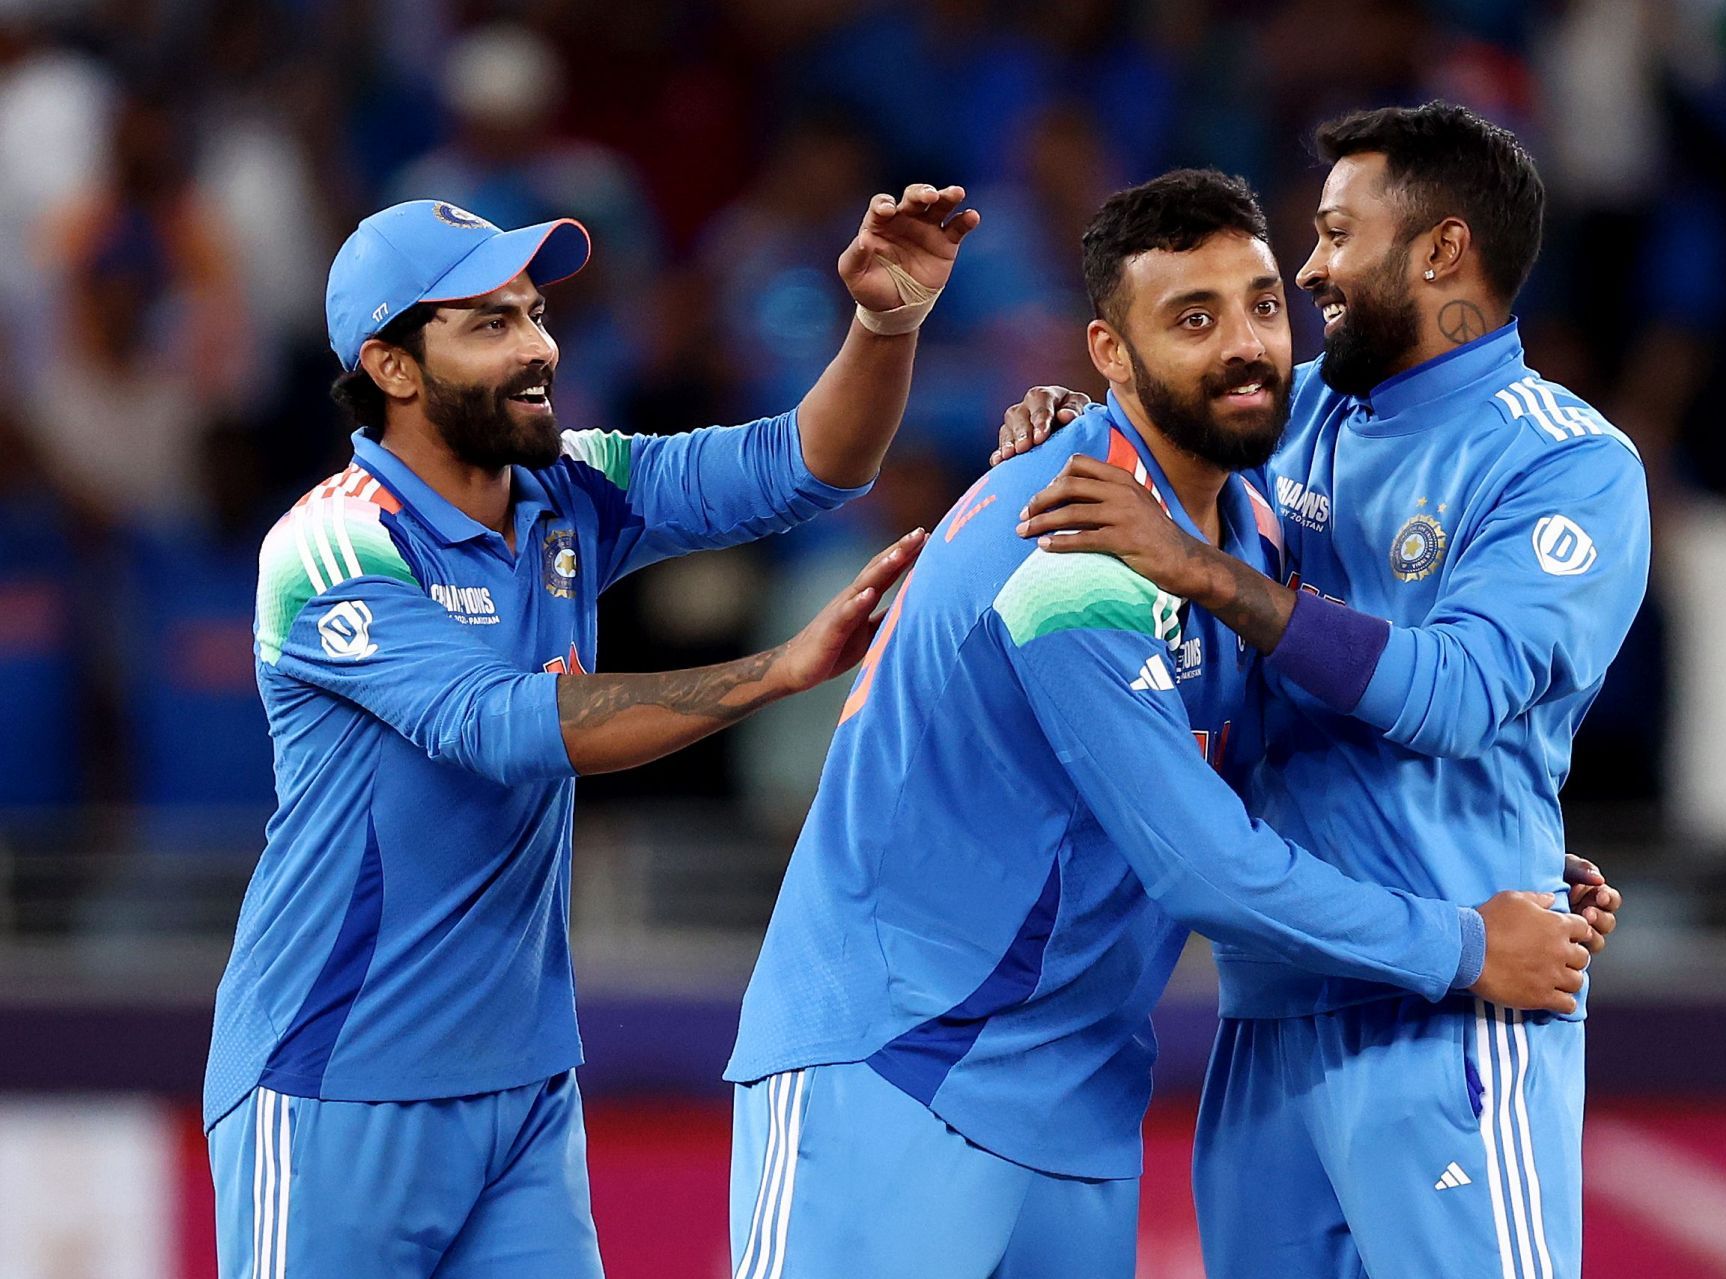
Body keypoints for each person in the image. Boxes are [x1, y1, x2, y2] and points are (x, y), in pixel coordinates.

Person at [725, 168, 1599, 1279]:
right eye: (1194, 319)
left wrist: (1511, 859)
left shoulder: (1251, 534)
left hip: (1076, 1103)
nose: (1246, 345)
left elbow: (1307, 746)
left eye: (1264, 305)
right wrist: (1473, 944)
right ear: (1109, 353)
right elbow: (1209, 870)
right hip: (894, 1065)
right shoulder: (1066, 545)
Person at [203, 183, 977, 1278]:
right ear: (391, 366)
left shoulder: (571, 492)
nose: (537, 348)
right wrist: (777, 670)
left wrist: (885, 322)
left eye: (534, 314)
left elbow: (808, 463)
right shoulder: (330, 549)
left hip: (522, 1091)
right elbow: (501, 724)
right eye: (490, 324)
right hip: (335, 1077)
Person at [1002, 103, 1648, 1278]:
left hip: (1456, 1009)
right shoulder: (1288, 412)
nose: (1308, 269)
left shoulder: (1566, 461)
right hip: (1270, 1012)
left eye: (1339, 233)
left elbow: (1456, 692)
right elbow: (1143, 442)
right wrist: (1070, 427)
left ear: (1441, 251)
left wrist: (1199, 566)